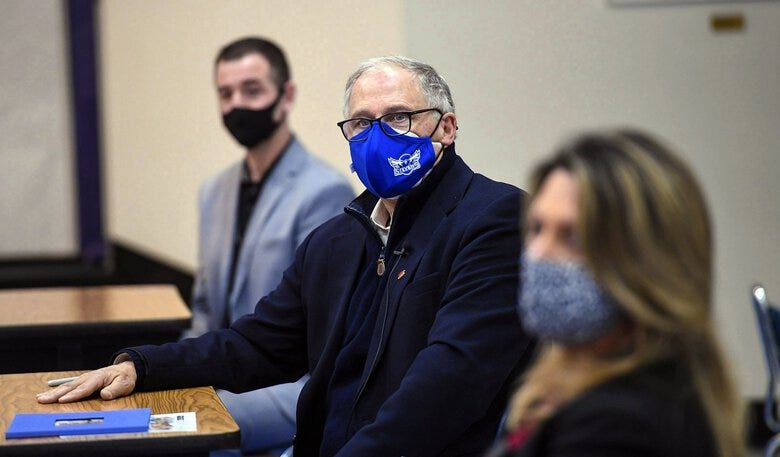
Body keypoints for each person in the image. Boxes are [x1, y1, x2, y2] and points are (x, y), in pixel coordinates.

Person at [38, 55, 535, 457]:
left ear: (446, 128)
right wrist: (143, 367)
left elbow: (448, 386)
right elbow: (256, 345)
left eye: (398, 118)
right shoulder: (337, 239)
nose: (378, 135)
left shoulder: (493, 218)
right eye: (362, 123)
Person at [485, 129, 744, 457]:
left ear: (645, 262)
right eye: (537, 229)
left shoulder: (621, 424)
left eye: (573, 237)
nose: (538, 254)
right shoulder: (569, 379)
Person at [187, 36, 354, 455]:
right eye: (225, 94)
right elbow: (205, 310)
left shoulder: (324, 190)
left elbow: (319, 346)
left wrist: (204, 403)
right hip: (217, 377)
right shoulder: (214, 191)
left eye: (252, 90)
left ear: (287, 95)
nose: (237, 105)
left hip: (285, 392)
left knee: (186, 429)